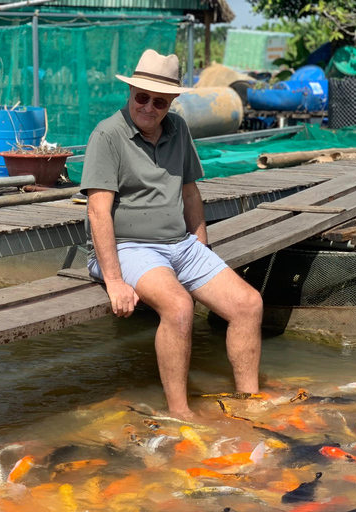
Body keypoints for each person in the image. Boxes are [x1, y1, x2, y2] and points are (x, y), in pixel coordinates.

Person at [80, 50, 262, 418]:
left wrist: (200, 241)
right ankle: (180, 412)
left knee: (249, 304)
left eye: (158, 101)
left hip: (178, 244)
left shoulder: (178, 128)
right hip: (128, 247)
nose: (147, 106)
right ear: (130, 92)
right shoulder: (107, 134)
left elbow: (190, 190)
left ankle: (249, 402)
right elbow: (98, 209)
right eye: (141, 97)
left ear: (171, 102)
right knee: (179, 308)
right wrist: (114, 281)